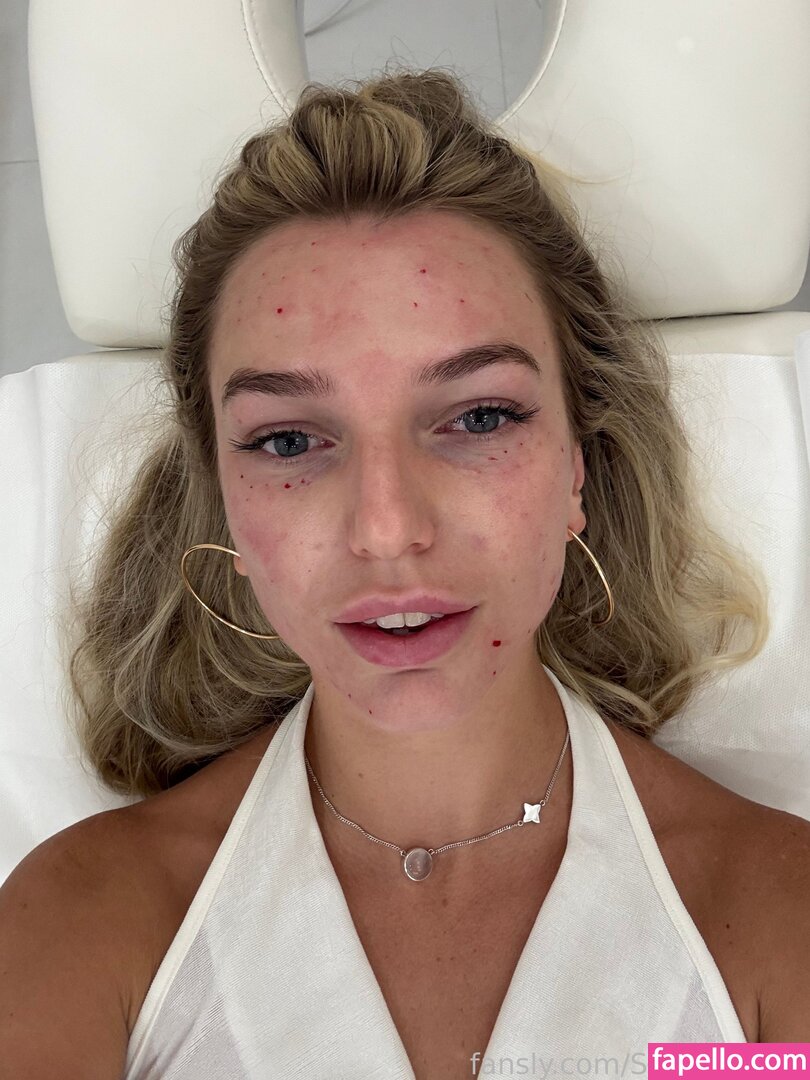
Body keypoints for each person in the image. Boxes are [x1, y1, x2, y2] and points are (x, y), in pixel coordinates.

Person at [1, 67, 809, 1079]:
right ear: (225, 506)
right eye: (289, 441)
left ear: (576, 468)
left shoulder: (774, 924)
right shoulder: (88, 929)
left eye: (479, 417)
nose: (387, 529)